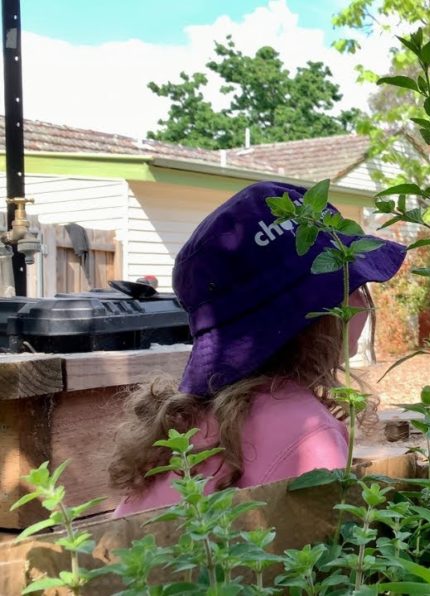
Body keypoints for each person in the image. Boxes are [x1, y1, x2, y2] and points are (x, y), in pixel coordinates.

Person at [108, 181, 406, 516]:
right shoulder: (307, 432)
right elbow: (326, 556)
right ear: (315, 318)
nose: (361, 303)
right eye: (354, 285)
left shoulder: (197, 417)